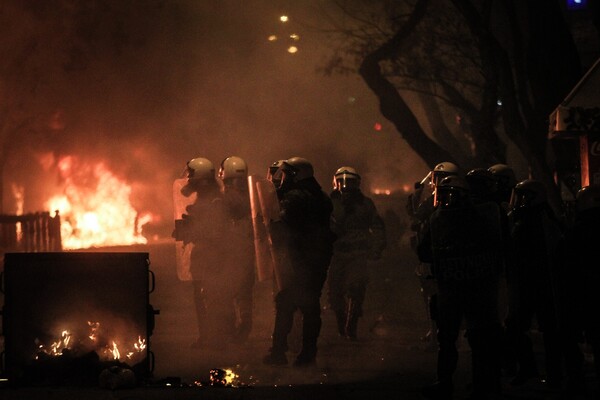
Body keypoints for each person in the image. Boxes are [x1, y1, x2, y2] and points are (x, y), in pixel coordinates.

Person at [418, 175, 504, 399]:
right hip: (456, 288)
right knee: (448, 338)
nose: (446, 200)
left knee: (476, 339)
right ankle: (449, 382)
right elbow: (424, 250)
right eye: (443, 195)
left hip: (470, 288)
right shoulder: (440, 219)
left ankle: (479, 384)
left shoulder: (475, 218)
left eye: (450, 195)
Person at [262, 157, 336, 367]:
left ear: (296, 176)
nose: (282, 178)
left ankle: (279, 353)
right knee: (310, 305)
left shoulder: (296, 197)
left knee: (287, 303)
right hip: (318, 258)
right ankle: (307, 354)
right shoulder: (320, 196)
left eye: (286, 174)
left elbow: (282, 225)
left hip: (302, 259)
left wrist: (269, 227)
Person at [504, 179, 564, 387]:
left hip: (542, 282)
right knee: (515, 327)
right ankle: (528, 368)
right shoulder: (522, 218)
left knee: (550, 330)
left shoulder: (543, 219)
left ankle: (555, 374)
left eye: (523, 196)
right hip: (525, 281)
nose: (519, 201)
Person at [173, 157, 230, 349]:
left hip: (211, 260)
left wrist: (192, 230)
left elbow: (214, 232)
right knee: (203, 300)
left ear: (201, 179)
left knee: (210, 300)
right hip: (205, 259)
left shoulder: (214, 201)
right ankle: (209, 337)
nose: (188, 180)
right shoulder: (206, 198)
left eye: (191, 176)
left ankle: (214, 340)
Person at [326, 166, 386, 340]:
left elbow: (377, 226)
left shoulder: (365, 204)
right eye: (342, 181)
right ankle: (341, 322)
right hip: (336, 253)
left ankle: (351, 324)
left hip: (358, 253)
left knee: (356, 287)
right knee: (335, 293)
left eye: (350, 182)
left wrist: (377, 247)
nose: (346, 186)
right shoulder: (329, 203)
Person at [407, 161, 460, 344]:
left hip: (443, 254)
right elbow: (416, 214)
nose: (436, 183)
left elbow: (419, 215)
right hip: (434, 253)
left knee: (439, 295)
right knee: (431, 294)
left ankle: (442, 332)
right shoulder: (435, 198)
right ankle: (436, 330)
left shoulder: (446, 200)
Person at [217, 156, 256, 342]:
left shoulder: (225, 198)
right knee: (244, 293)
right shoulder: (253, 196)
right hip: (248, 251)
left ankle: (231, 332)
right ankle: (245, 326)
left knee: (226, 292)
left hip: (230, 252)